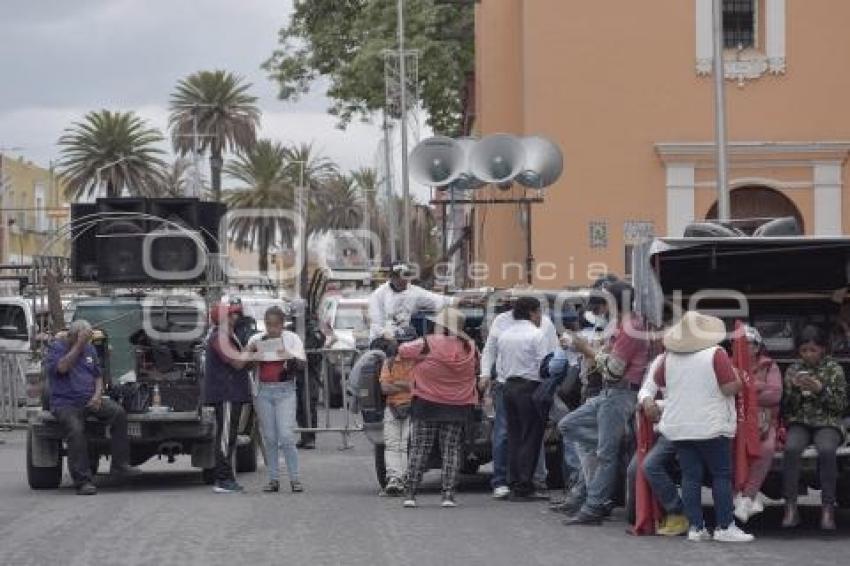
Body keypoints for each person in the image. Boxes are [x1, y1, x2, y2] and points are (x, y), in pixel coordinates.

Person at [651, 311, 753, 543]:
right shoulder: (716, 354)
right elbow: (728, 388)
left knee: (690, 476)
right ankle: (725, 526)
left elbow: (659, 382)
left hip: (679, 426)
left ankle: (696, 527)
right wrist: (740, 380)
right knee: (721, 475)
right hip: (710, 426)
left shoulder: (669, 357)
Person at [560, 281, 649, 525]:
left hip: (619, 393)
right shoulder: (624, 325)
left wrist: (586, 349)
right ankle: (611, 455)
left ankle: (593, 507)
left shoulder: (630, 328)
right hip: (611, 394)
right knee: (568, 425)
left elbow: (612, 371)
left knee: (604, 454)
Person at [45, 320, 140, 495]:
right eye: (85, 337)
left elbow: (97, 376)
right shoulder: (57, 348)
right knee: (75, 430)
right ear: (73, 335)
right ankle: (83, 481)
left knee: (118, 412)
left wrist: (97, 396)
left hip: (90, 399)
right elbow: (62, 367)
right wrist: (79, 345)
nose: (88, 340)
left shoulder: (90, 349)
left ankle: (120, 465)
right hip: (66, 403)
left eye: (89, 337)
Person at [480, 293, 559, 499]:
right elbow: (545, 366)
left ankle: (512, 481)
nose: (540, 315)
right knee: (530, 437)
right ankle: (525, 485)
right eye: (539, 311)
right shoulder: (536, 334)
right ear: (532, 313)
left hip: (508, 387)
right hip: (530, 387)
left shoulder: (506, 334)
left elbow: (499, 361)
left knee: (513, 437)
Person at [399, 307, 479, 508]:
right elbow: (477, 369)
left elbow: (402, 350)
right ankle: (448, 495)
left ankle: (410, 493)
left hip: (426, 403)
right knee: (451, 450)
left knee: (419, 449)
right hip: (458, 405)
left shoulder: (425, 343)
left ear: (441, 325)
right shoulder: (470, 347)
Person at [781, 324, 847, 531]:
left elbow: (840, 405)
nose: (808, 355)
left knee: (827, 451)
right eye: (804, 350)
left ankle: (827, 508)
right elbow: (786, 407)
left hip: (827, 421)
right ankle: (790, 507)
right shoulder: (793, 369)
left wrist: (821, 390)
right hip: (800, 421)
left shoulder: (833, 369)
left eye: (813, 350)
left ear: (823, 349)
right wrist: (793, 390)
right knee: (791, 449)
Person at [248, 306, 307, 494]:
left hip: (285, 391)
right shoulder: (257, 339)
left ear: (283, 324)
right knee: (270, 438)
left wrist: (289, 356)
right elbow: (245, 364)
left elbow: (303, 364)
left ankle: (295, 478)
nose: (272, 329)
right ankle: (273, 479)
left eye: (276, 325)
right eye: (268, 325)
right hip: (264, 391)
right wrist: (253, 356)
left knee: (287, 436)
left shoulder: (292, 338)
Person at [204, 302, 256, 494]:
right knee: (226, 438)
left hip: (231, 392)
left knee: (230, 436)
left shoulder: (227, 335)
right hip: (225, 393)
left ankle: (226, 477)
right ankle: (222, 478)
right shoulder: (219, 337)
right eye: (232, 314)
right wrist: (252, 350)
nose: (236, 317)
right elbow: (236, 363)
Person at [633, 354, 688, 536]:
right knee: (640, 468)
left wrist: (658, 404)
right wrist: (648, 400)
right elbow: (646, 389)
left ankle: (680, 513)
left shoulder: (709, 358)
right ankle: (673, 512)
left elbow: (693, 400)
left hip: (697, 426)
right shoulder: (662, 360)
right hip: (671, 426)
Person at [733, 325, 781, 523]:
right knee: (729, 447)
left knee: (767, 447)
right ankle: (735, 496)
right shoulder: (728, 365)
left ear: (758, 347)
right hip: (735, 420)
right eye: (741, 345)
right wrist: (758, 388)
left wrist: (746, 388)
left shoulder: (770, 366)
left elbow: (775, 395)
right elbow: (726, 393)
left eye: (750, 344)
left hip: (764, 422)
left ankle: (748, 497)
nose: (746, 348)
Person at [376, 326, 419, 496]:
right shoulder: (390, 362)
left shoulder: (420, 362)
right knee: (393, 445)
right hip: (394, 407)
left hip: (413, 408)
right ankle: (395, 478)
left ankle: (405, 478)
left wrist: (398, 385)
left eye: (407, 343)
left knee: (406, 445)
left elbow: (417, 387)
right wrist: (406, 386)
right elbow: (384, 388)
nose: (404, 346)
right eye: (401, 343)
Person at [368, 261, 457, 342]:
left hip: (404, 337)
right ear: (390, 277)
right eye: (397, 277)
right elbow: (375, 323)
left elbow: (437, 299)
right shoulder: (378, 294)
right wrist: (385, 334)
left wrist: (457, 300)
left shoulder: (415, 292)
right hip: (381, 339)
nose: (401, 280)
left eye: (405, 276)